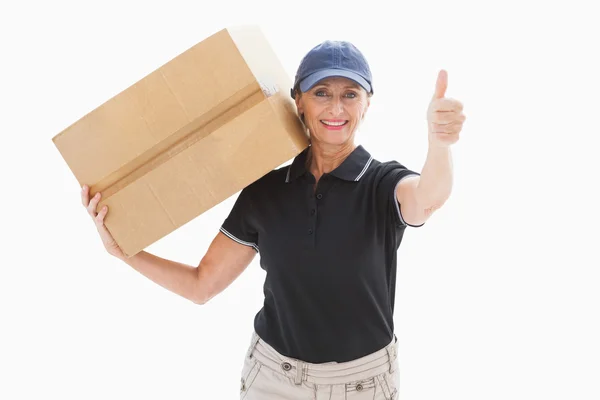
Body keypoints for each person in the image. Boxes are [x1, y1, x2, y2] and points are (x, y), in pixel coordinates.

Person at [81, 40, 466, 399]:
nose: (336, 108)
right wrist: (125, 253)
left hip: (362, 385)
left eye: (350, 94)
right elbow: (201, 285)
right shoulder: (266, 190)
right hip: (272, 380)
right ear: (298, 101)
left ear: (367, 104)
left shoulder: (383, 184)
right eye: (322, 94)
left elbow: (428, 197)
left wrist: (439, 145)